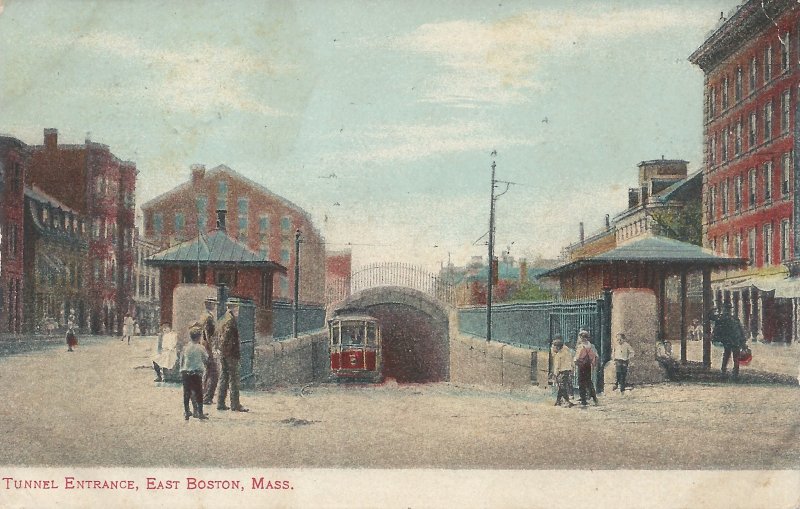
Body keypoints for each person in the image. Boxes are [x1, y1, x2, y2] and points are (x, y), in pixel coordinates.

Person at [217, 304, 249, 412]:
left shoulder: (223, 319)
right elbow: (225, 338)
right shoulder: (230, 321)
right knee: (234, 379)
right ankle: (235, 405)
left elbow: (218, 336)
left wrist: (221, 350)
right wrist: (228, 351)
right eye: (237, 308)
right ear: (234, 308)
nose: (238, 311)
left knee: (223, 378)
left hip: (223, 353)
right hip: (230, 354)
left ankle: (220, 403)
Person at [180, 324, 209, 420]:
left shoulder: (186, 347)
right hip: (196, 373)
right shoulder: (201, 348)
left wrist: (182, 369)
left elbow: (182, 360)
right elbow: (206, 359)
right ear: (199, 337)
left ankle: (187, 411)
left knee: (186, 393)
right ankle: (200, 412)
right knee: (198, 393)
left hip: (186, 373)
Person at [711, 303, 747, 380]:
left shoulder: (731, 318)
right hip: (730, 340)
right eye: (726, 309)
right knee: (729, 356)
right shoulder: (723, 318)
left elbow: (740, 330)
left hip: (733, 340)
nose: (727, 311)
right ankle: (726, 371)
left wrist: (743, 341)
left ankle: (732, 372)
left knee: (732, 356)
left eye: (728, 309)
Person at [200, 301, 219, 406]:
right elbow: (209, 336)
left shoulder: (203, 316)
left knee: (207, 373)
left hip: (204, 347)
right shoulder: (209, 318)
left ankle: (203, 395)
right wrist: (213, 350)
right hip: (208, 349)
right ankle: (207, 397)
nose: (215, 306)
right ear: (210, 305)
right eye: (213, 304)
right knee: (214, 374)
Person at [574, 330, 599, 406]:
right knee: (588, 381)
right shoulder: (591, 346)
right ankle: (594, 398)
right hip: (588, 365)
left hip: (581, 365)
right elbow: (596, 355)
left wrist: (575, 360)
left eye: (581, 337)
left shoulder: (581, 346)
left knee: (581, 382)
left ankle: (583, 400)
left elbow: (577, 357)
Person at [550, 336, 575, 407]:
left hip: (561, 372)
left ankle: (567, 401)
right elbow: (571, 361)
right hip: (567, 371)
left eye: (554, 347)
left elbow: (557, 367)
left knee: (562, 387)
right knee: (562, 387)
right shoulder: (566, 352)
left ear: (557, 347)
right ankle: (558, 401)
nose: (553, 348)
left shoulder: (558, 355)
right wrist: (572, 369)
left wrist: (555, 374)